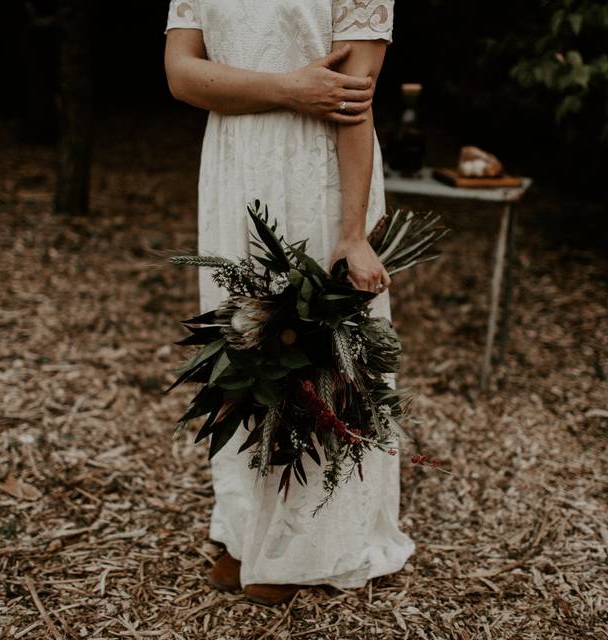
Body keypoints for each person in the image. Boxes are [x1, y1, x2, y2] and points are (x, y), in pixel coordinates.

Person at [163, 0, 413, 605]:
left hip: (315, 173)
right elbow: (182, 75)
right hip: (234, 168)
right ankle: (246, 528)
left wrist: (353, 234)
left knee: (316, 348)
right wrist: (290, 87)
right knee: (244, 342)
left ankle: (309, 544)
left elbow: (355, 102)